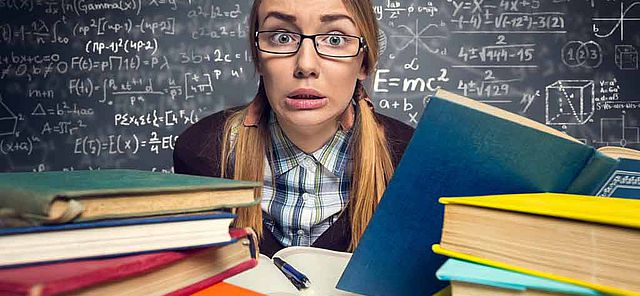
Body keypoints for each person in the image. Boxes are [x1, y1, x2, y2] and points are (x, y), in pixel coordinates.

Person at [173, 0, 414, 257]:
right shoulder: (200, 153)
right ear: (258, 58)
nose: (306, 66)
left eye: (335, 39)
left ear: (364, 62)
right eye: (281, 37)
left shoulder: (411, 162)